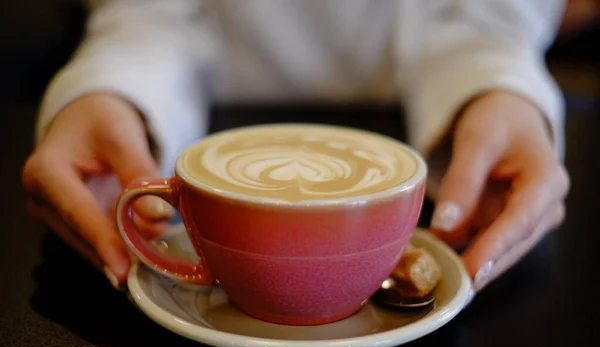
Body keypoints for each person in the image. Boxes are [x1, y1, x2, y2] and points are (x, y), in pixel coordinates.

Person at [22, 0, 570, 294]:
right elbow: (147, 13)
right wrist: (114, 90)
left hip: (420, 129)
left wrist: (499, 88)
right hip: (203, 123)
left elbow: (491, 17)